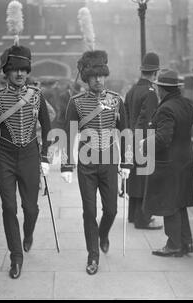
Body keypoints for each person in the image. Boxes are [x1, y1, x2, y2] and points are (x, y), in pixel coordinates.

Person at [0, 45, 51, 279]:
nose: (20, 74)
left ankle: (28, 233)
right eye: (14, 70)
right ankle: (16, 256)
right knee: (8, 207)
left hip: (31, 155)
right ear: (6, 72)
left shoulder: (37, 95)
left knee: (30, 208)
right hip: (5, 157)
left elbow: (48, 126)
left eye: (23, 69)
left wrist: (45, 157)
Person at [61, 50, 132, 275]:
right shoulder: (76, 102)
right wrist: (66, 164)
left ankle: (103, 233)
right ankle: (93, 254)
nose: (99, 80)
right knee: (89, 211)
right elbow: (68, 134)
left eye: (102, 75)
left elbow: (126, 132)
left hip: (110, 162)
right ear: (87, 78)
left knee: (111, 210)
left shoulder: (116, 100)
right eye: (94, 76)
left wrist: (127, 162)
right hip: (86, 163)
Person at [141, 69, 193, 257]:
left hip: (169, 164)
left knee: (170, 204)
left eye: (158, 88)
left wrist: (144, 144)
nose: (157, 91)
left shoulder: (166, 108)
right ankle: (186, 243)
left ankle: (173, 245)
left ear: (163, 90)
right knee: (180, 204)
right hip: (185, 162)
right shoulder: (186, 105)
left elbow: (163, 138)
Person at [124, 52, 162, 230]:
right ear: (155, 73)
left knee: (134, 178)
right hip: (144, 141)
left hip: (131, 140)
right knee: (145, 180)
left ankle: (132, 215)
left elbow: (125, 118)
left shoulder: (131, 91)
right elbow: (149, 121)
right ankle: (142, 219)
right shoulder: (151, 93)